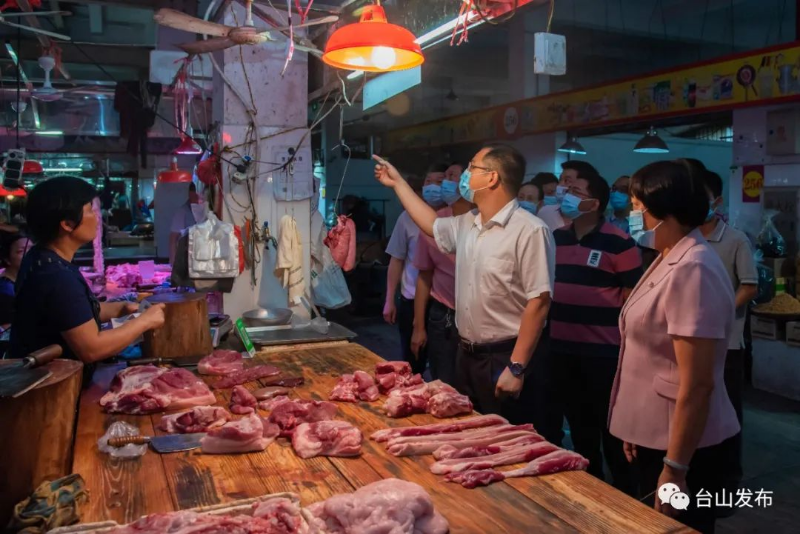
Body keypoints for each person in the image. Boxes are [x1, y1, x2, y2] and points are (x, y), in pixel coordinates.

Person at [374, 145, 560, 442]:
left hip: (505, 356)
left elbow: (539, 302)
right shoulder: (469, 223)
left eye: (472, 168)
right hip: (467, 355)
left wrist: (516, 367)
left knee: (509, 444)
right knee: (472, 440)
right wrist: (398, 183)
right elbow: (432, 225)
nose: (465, 175)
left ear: (492, 178)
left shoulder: (530, 230)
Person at [608, 161, 740, 533]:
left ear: (666, 211)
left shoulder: (693, 268)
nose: (633, 215)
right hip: (656, 432)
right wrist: (636, 424)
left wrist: (675, 468)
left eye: (638, 207)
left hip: (684, 446)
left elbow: (697, 383)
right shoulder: (668, 255)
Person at [549, 171, 642, 493]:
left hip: (604, 353)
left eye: (576, 191)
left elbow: (632, 298)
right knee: (579, 428)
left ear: (595, 203)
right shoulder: (555, 238)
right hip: (562, 350)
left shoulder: (620, 242)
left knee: (612, 429)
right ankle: (592, 490)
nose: (566, 195)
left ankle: (627, 495)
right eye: (567, 189)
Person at [9, 177, 166, 366]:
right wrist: (145, 321)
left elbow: (72, 313)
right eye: (91, 210)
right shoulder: (56, 276)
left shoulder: (42, 257)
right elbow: (92, 349)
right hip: (52, 380)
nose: (97, 218)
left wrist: (121, 308)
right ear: (67, 224)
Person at [699, 170, 758, 494]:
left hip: (728, 342)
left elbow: (749, 285)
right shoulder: (687, 238)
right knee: (700, 408)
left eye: (702, 197)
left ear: (717, 201)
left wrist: (722, 310)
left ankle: (729, 481)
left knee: (729, 411)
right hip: (695, 342)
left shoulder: (735, 240)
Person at [411, 169, 475, 386]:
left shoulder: (485, 221)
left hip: (479, 317)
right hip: (444, 315)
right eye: (445, 177)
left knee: (473, 386)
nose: (447, 182)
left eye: (454, 177)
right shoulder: (434, 223)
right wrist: (418, 327)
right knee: (444, 384)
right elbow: (424, 277)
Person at [384, 166, 446, 375]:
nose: (432, 187)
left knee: (442, 365)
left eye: (438, 182)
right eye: (428, 181)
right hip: (411, 299)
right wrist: (389, 300)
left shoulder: (454, 219)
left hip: (442, 305)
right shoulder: (406, 217)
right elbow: (396, 259)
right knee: (412, 364)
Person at [538, 161, 600, 231]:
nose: (560, 185)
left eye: (567, 181)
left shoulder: (595, 222)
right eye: (560, 180)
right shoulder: (545, 212)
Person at [170, 182, 208, 264]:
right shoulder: (182, 212)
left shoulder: (206, 210)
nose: (199, 200)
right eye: (196, 196)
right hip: (187, 258)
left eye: (201, 198)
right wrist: (173, 262)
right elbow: (173, 238)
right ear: (190, 194)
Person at [0, 231, 31, 327]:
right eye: (21, 251)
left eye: (32, 249)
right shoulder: (4, 291)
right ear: (7, 259)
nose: (29, 254)